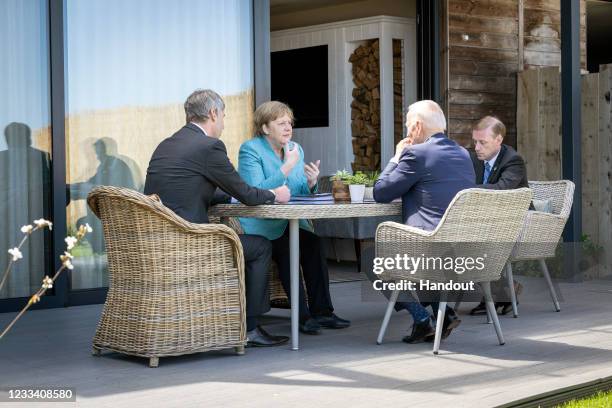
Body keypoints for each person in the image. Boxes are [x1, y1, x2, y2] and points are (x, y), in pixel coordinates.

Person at [144, 89, 291, 347]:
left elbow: (185, 190)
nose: (224, 122)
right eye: (223, 115)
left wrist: (227, 197)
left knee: (248, 243)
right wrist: (273, 194)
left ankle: (234, 317)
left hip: (160, 240)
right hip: (189, 241)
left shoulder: (167, 144)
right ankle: (251, 327)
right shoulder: (209, 146)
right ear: (213, 113)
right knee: (259, 246)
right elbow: (246, 193)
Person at [237, 101, 350, 335]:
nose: (288, 128)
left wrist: (311, 183)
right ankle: (303, 316)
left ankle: (323, 311)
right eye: (281, 123)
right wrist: (287, 168)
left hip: (291, 221)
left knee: (314, 244)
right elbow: (256, 192)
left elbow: (298, 192)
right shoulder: (250, 150)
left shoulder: (295, 148)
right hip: (262, 225)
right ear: (266, 128)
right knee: (290, 247)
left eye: (290, 123)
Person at [373, 100, 475, 344]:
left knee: (375, 260)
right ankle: (446, 313)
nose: (407, 131)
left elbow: (381, 192)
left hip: (430, 249)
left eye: (408, 125)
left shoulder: (416, 154)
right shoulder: (464, 154)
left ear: (417, 126)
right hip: (462, 249)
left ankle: (422, 320)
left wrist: (396, 156)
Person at [469, 115, 528, 316]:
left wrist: (468, 189)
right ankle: (503, 291)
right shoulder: (474, 158)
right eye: (475, 141)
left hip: (514, 221)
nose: (477, 147)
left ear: (499, 140)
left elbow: (503, 189)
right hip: (485, 219)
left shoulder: (513, 160)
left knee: (473, 241)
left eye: (482, 142)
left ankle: (495, 294)